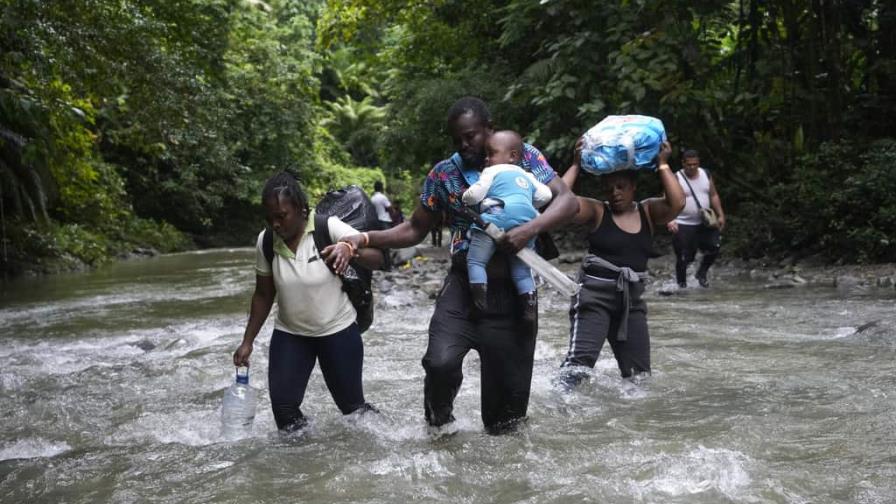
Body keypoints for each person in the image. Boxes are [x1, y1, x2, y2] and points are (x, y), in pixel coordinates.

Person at [339, 97, 577, 433]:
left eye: (471, 136)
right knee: (439, 362)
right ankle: (440, 429)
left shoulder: (521, 155)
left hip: (514, 296)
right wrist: (363, 238)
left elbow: (568, 202)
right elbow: (414, 229)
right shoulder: (444, 173)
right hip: (464, 286)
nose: (465, 145)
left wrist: (529, 230)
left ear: (488, 129)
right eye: (458, 139)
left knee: (504, 424)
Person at [232, 171, 385, 432]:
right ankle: (304, 464)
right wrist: (247, 342)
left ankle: (385, 436)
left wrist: (349, 250)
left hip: (337, 331)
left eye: (281, 216)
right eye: (270, 219)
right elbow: (263, 294)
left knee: (352, 408)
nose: (276, 225)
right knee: (284, 410)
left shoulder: (328, 227)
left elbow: (379, 257)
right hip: (291, 334)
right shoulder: (266, 241)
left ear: (301, 210)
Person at [558, 141, 684, 387]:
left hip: (631, 303)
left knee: (639, 377)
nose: (615, 193)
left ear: (633, 187)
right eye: (609, 188)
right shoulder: (597, 211)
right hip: (593, 299)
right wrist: (575, 164)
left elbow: (677, 203)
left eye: (621, 187)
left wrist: (663, 164)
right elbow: (560, 201)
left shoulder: (648, 211)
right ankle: (560, 406)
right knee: (578, 368)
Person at [461, 130, 552, 324]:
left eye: (491, 153)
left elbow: (475, 195)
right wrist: (527, 203)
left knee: (476, 262)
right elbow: (546, 196)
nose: (486, 159)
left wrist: (465, 198)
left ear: (512, 156)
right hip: (526, 222)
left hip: (497, 217)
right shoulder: (526, 174)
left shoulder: (491, 171)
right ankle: (529, 309)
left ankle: (479, 303)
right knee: (521, 271)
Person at [667, 149, 726, 288]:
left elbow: (713, 195)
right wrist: (670, 220)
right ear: (683, 163)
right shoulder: (676, 178)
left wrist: (721, 214)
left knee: (714, 247)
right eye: (689, 165)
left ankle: (701, 273)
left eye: (695, 164)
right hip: (683, 223)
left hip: (704, 222)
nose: (692, 167)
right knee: (684, 257)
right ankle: (681, 286)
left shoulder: (705, 174)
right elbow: (666, 200)